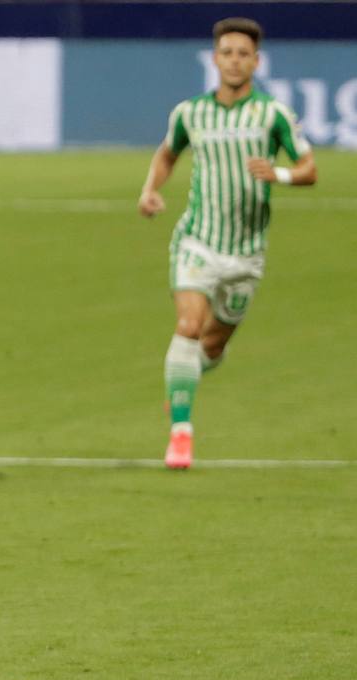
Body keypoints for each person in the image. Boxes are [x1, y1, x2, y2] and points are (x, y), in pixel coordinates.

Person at [138, 17, 316, 470]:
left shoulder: (272, 115)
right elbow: (168, 152)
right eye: (226, 52)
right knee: (188, 327)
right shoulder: (189, 113)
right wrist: (150, 189)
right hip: (197, 240)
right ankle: (181, 433)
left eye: (243, 54)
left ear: (256, 61)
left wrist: (276, 174)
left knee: (211, 348)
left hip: (246, 254)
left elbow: (309, 169)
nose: (234, 61)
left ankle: (185, 382)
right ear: (214, 58)